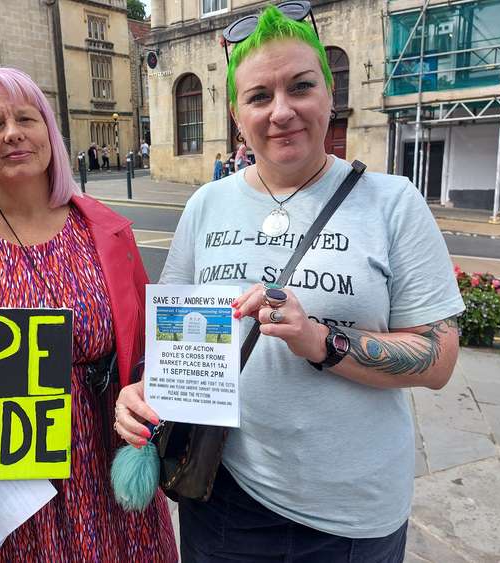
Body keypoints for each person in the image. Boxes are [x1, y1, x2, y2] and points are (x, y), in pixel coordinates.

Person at [114, 6, 464, 562]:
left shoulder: (394, 202)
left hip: (351, 517)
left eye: (300, 87)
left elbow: (439, 357)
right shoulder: (207, 205)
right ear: (235, 113)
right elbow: (175, 344)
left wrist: (318, 339)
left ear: (328, 92)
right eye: (259, 96)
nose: (282, 112)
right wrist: (142, 394)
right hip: (224, 500)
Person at [0, 67, 177, 562]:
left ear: (49, 129)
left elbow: (156, 347)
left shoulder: (109, 232)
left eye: (27, 117)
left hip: (101, 468)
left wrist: (149, 391)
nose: (13, 133)